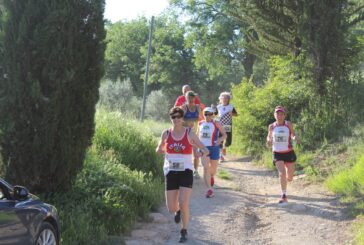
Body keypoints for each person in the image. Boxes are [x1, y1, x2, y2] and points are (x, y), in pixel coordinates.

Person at [156, 107, 208, 243]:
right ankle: (177, 210)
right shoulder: (166, 133)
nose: (176, 119)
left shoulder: (190, 133)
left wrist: (199, 153)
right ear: (171, 119)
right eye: (174, 117)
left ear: (182, 118)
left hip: (186, 171)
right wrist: (159, 150)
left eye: (179, 117)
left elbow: (205, 148)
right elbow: (159, 147)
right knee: (171, 207)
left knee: (184, 201)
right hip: (171, 171)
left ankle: (184, 230)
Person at [266, 106, 299, 203]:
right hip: (277, 153)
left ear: (284, 115)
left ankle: (287, 178)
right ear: (274, 115)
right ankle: (283, 195)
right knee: (282, 174)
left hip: (289, 152)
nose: (279, 116)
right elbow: (268, 137)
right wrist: (269, 141)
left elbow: (293, 134)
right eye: (277, 114)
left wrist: (294, 138)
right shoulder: (271, 126)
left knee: (290, 178)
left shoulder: (288, 124)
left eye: (281, 114)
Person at [198, 107, 227, 198]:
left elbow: (224, 134)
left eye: (209, 114)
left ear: (213, 115)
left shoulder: (216, 123)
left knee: (213, 170)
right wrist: (196, 147)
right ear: (203, 114)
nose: (207, 116)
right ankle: (209, 189)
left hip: (214, 148)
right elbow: (197, 135)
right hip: (203, 148)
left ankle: (211, 177)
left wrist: (219, 139)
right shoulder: (200, 123)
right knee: (205, 167)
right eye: (205, 114)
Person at [181, 91, 202, 177]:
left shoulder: (198, 107)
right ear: (186, 98)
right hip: (185, 133)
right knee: (183, 152)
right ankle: (182, 169)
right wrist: (186, 121)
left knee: (195, 153)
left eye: (192, 97)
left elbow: (201, 119)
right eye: (189, 97)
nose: (190, 99)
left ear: (194, 98)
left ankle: (196, 171)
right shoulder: (184, 107)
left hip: (195, 133)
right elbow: (178, 121)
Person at [216, 92, 237, 161]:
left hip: (228, 125)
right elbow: (214, 114)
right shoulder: (218, 107)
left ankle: (224, 147)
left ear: (228, 99)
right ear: (220, 99)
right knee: (220, 140)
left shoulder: (231, 106)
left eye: (226, 98)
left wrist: (232, 114)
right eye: (223, 98)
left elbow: (236, 114)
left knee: (228, 141)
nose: (224, 100)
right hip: (220, 125)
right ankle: (220, 156)